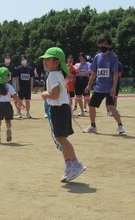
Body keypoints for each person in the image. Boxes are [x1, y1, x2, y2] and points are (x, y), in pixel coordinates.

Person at [40, 47, 86, 182]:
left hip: (59, 110)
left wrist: (44, 94)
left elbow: (54, 94)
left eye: (48, 59)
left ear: (56, 62)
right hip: (60, 109)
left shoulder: (54, 75)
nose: (45, 62)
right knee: (61, 139)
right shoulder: (57, 74)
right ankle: (68, 166)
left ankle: (76, 164)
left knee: (61, 139)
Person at [83, 35, 125, 134]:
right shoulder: (97, 57)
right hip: (98, 88)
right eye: (101, 43)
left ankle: (120, 126)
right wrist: (89, 85)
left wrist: (114, 87)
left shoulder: (113, 57)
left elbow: (115, 73)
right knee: (91, 106)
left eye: (105, 44)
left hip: (109, 88)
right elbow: (94, 73)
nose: (103, 45)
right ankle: (93, 126)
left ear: (109, 45)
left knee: (110, 106)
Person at [0, 67, 23, 144]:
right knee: (8, 121)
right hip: (7, 105)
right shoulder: (9, 86)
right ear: (7, 77)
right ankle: (8, 129)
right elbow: (15, 96)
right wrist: (20, 103)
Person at [106, 50, 123, 116]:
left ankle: (114, 110)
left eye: (115, 54)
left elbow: (120, 74)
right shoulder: (108, 63)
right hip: (108, 82)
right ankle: (108, 111)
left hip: (116, 82)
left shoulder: (119, 64)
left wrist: (114, 75)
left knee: (115, 97)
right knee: (108, 97)